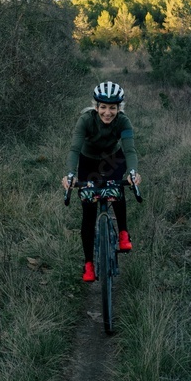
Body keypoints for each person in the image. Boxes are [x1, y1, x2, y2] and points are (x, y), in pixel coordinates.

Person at [62, 81, 142, 282]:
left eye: (112, 108)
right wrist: (70, 175)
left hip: (113, 159)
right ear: (96, 106)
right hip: (88, 162)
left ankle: (123, 232)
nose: (108, 112)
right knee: (88, 211)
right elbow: (74, 149)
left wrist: (133, 173)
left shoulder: (124, 121)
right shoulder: (85, 120)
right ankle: (89, 263)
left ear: (119, 107)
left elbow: (130, 150)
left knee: (116, 190)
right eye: (103, 107)